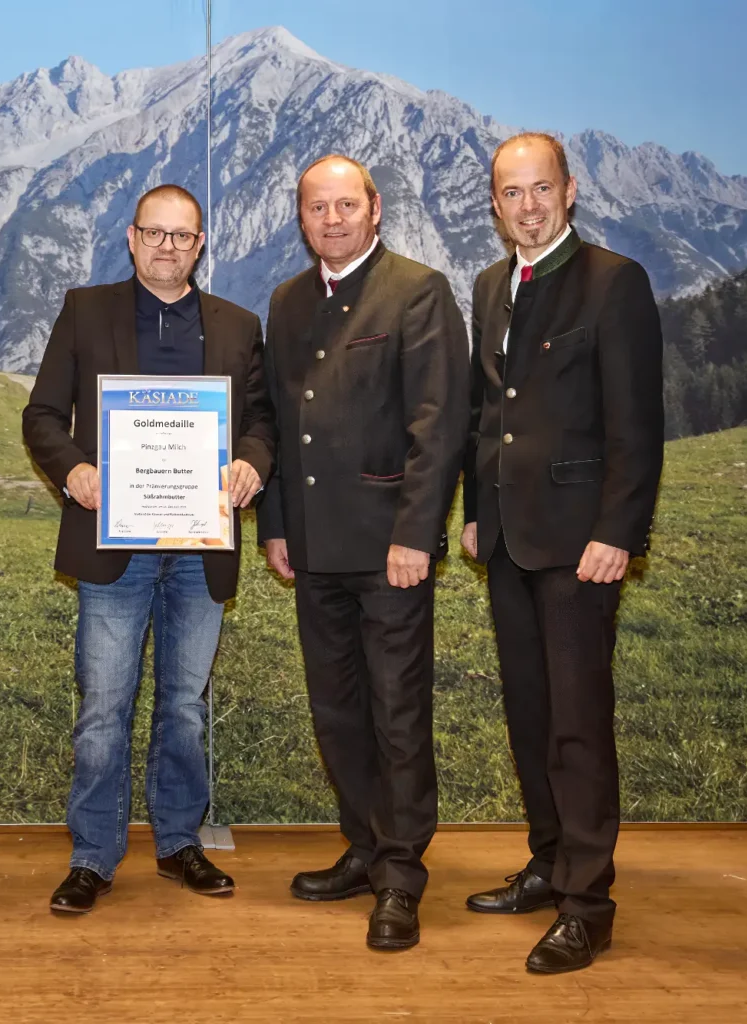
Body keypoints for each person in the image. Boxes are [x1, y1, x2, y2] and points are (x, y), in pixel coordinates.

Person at [23, 184, 275, 914]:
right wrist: (72, 469)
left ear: (202, 245)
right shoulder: (85, 310)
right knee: (104, 705)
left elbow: (262, 423)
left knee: (185, 707)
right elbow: (42, 414)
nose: (168, 248)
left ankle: (178, 842)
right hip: (115, 546)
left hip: (201, 548)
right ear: (131, 239)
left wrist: (253, 462)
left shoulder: (237, 324)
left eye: (183, 236)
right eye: (155, 234)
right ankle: (93, 855)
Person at [460, 132, 664, 973]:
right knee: (530, 714)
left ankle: (588, 902)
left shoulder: (614, 283)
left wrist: (618, 531)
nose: (528, 206)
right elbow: (485, 412)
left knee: (578, 726)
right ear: (496, 203)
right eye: (512, 193)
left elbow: (637, 424)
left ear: (570, 191)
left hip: (583, 544)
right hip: (508, 538)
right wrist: (476, 513)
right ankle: (548, 863)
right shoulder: (489, 287)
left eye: (541, 189)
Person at [259, 155, 468, 951]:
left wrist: (416, 534)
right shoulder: (286, 300)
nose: (335, 219)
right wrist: (275, 524)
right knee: (338, 711)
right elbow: (274, 421)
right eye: (319, 207)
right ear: (302, 217)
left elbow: (438, 425)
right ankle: (364, 846)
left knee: (398, 714)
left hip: (390, 550)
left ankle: (403, 876)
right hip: (312, 545)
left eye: (348, 205)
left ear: (375, 209)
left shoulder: (417, 290)